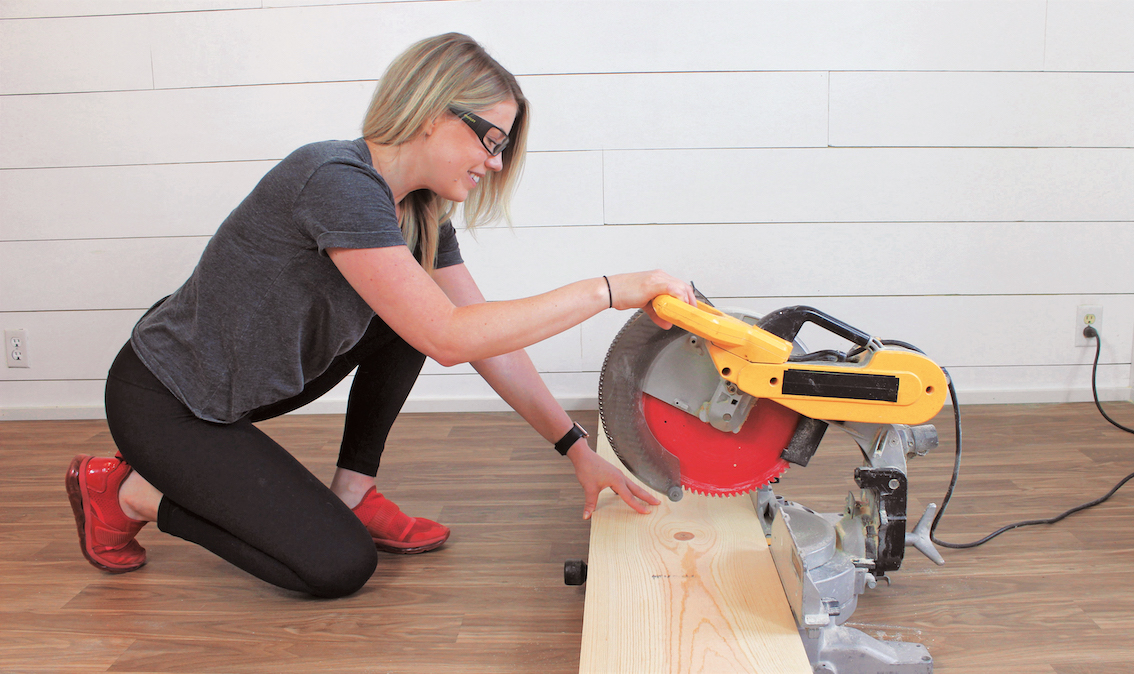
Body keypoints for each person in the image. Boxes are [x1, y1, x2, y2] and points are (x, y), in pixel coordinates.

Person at [65, 32, 695, 598]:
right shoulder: (334, 180)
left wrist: (577, 449)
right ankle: (126, 493)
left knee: (419, 313)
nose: (496, 163)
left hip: (246, 390)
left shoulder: (418, 214)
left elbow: (484, 337)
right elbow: (449, 338)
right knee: (338, 565)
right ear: (432, 111)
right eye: (491, 140)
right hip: (167, 400)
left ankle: (352, 491)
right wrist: (610, 290)